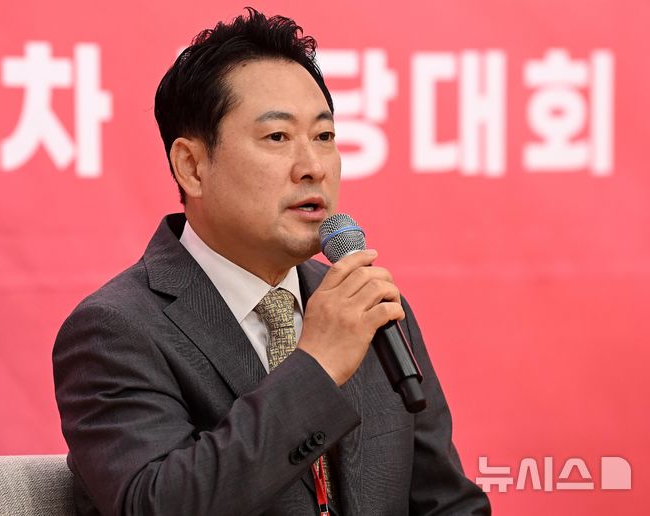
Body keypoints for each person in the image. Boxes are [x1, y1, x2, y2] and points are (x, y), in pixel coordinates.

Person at [53, 8, 491, 516]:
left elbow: (447, 504)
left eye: (324, 137)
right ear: (191, 166)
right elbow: (156, 505)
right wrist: (316, 366)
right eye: (277, 137)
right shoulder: (116, 330)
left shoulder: (368, 310)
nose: (313, 167)